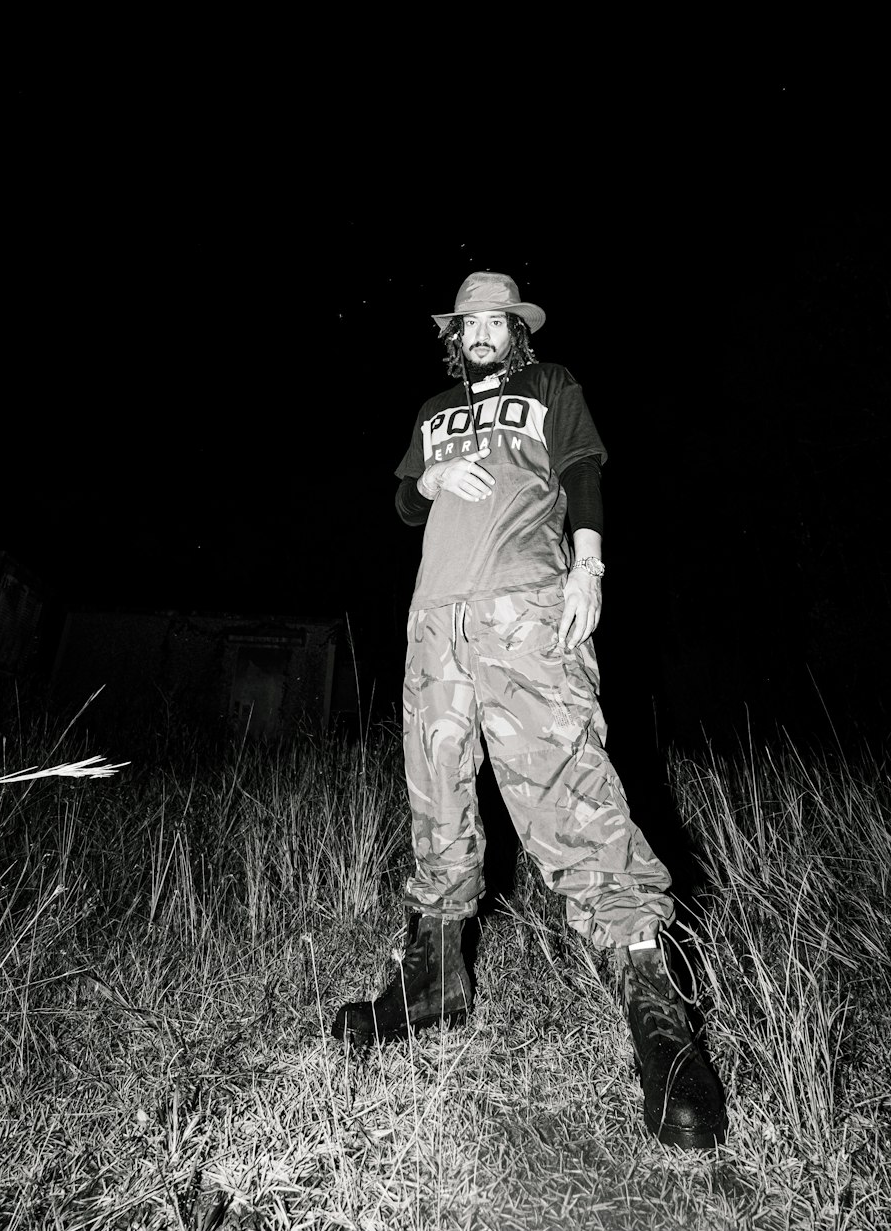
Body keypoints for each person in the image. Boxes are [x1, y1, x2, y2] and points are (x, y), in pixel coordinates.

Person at [332, 271, 727, 1151]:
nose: (479, 329)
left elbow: (583, 467)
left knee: (569, 790)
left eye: (494, 319)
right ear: (453, 335)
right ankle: (431, 981)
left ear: (516, 331)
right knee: (435, 797)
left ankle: (661, 1027)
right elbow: (404, 500)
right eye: (466, 320)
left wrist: (588, 566)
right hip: (435, 619)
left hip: (525, 609)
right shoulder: (433, 407)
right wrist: (427, 478)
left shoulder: (550, 388)